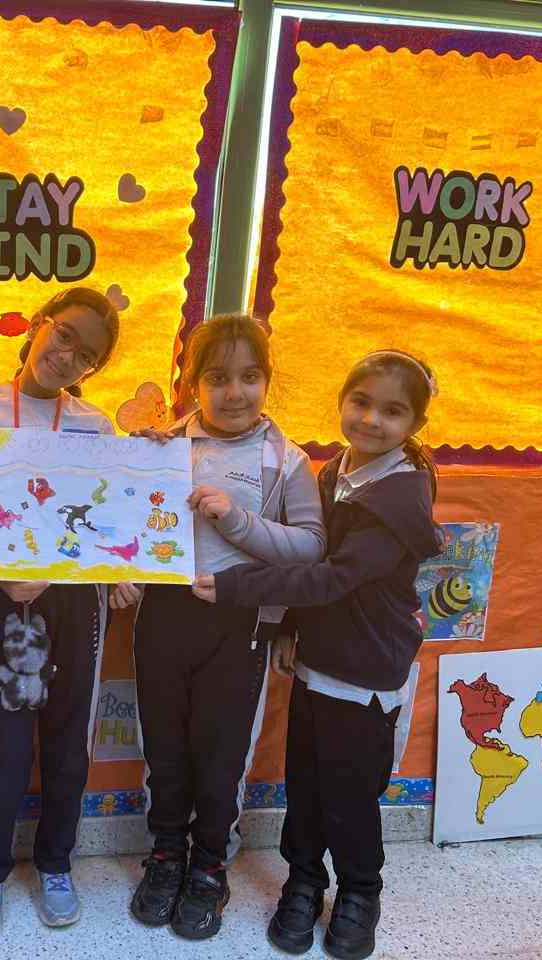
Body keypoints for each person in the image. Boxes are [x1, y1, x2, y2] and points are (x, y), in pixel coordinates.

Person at [193, 349, 443, 960]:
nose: (371, 420)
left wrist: (237, 587)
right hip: (317, 664)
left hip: (365, 671)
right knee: (305, 786)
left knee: (350, 796)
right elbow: (311, 554)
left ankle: (360, 890)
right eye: (361, 403)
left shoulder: (399, 498)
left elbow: (332, 577)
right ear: (341, 402)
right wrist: (287, 628)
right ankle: (303, 881)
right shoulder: (335, 473)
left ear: (415, 424)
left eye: (392, 412)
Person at [118, 313, 325, 939]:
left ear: (268, 380)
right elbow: (125, 523)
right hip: (163, 618)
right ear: (191, 383)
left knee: (221, 755)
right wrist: (117, 574)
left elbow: (312, 546)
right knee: (164, 749)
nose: (235, 392)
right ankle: (165, 855)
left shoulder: (286, 461)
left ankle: (210, 863)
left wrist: (237, 520)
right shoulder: (161, 448)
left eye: (250, 376)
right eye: (217, 378)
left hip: (241, 627)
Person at [0, 286, 129, 935]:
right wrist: (2, 576)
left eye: (88, 354)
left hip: (78, 601)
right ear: (40, 323)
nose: (69, 355)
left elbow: (107, 519)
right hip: (6, 598)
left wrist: (118, 572)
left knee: (71, 741)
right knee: (6, 741)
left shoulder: (97, 426)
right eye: (65, 334)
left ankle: (56, 864)